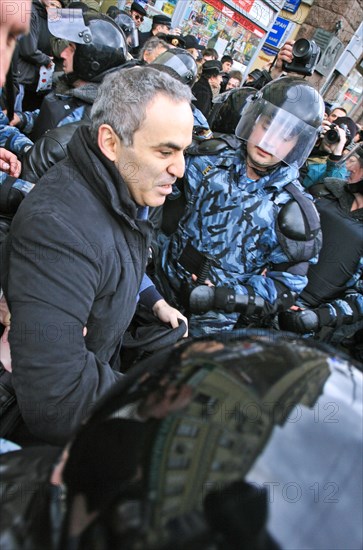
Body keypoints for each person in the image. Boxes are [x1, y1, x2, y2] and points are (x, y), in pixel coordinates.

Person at [1, 66, 193, 445]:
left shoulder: (124, 194)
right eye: (165, 151)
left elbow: (116, 263)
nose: (180, 168)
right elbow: (58, 398)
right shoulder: (60, 229)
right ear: (110, 142)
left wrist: (151, 304)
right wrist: (159, 407)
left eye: (184, 150)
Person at [159, 77, 324, 335]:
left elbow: (284, 289)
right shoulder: (209, 160)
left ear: (297, 145)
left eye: (284, 136)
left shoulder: (294, 212)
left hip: (210, 324)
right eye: (267, 126)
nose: (268, 141)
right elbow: (161, 199)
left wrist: (222, 297)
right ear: (254, 119)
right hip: (157, 284)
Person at [279, 145, 363, 359]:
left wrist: (317, 317)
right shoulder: (325, 190)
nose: (351, 166)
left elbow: (360, 298)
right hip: (267, 289)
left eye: (360, 163)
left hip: (304, 322)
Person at [10, 8, 128, 142]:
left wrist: (12, 139)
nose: (62, 54)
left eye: (71, 49)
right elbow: (51, 117)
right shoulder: (72, 90)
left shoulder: (87, 121)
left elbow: (45, 156)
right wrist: (22, 119)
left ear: (89, 60)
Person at [15, 0, 64, 111]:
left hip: (33, 78)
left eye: (57, 7)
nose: (54, 9)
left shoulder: (49, 21)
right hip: (20, 76)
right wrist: (46, 59)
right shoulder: (31, 13)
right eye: (52, 4)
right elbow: (28, 49)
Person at [300, 116, 357, 188]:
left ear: (344, 144)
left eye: (339, 140)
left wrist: (336, 156)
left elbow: (333, 187)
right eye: (332, 134)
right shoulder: (308, 144)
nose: (333, 140)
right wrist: (312, 132)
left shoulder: (337, 169)